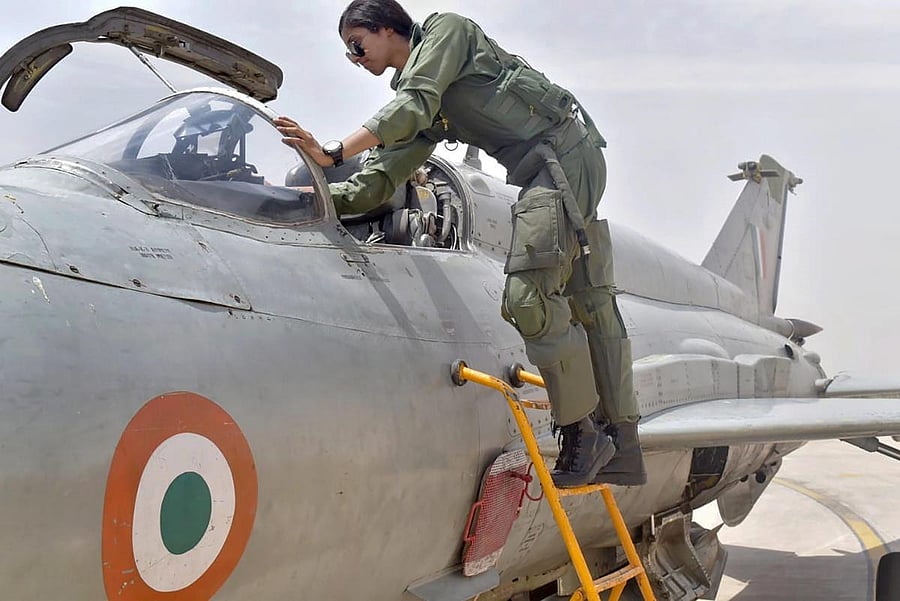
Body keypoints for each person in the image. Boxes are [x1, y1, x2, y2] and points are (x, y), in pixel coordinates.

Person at [275, 0, 645, 487]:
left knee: (528, 298)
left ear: (387, 28)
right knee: (589, 304)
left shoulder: (447, 35)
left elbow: (412, 103)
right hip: (546, 171)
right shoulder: (425, 109)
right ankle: (623, 447)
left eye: (357, 46)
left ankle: (582, 433)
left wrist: (333, 152)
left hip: (563, 159)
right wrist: (304, 195)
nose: (355, 59)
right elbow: (376, 184)